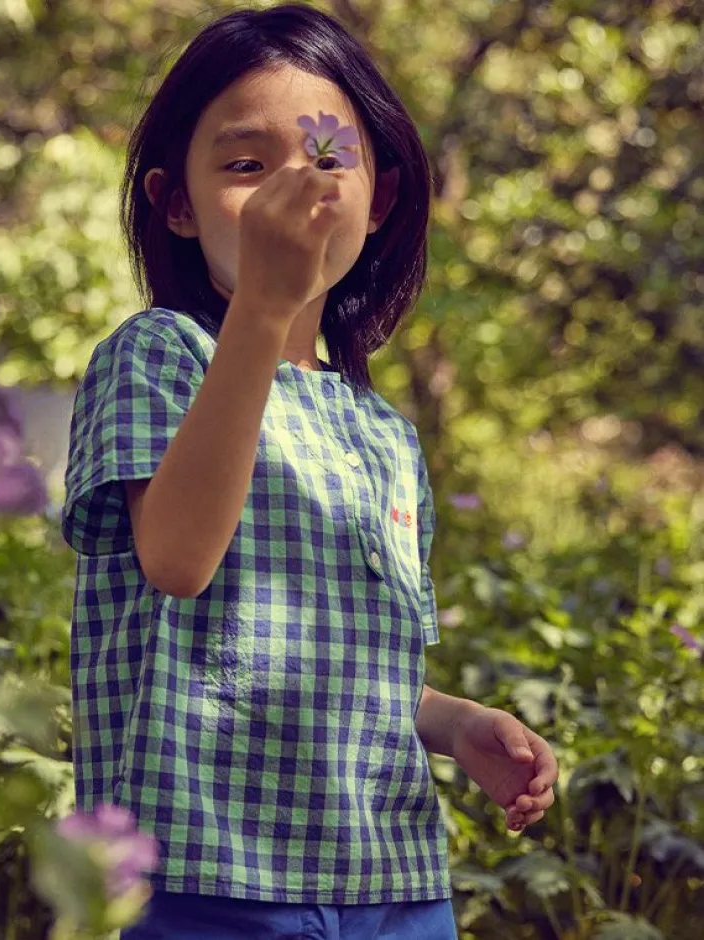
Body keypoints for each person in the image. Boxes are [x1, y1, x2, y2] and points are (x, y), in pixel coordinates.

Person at [62, 4, 558, 938]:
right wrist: (261, 306)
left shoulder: (385, 436)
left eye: (329, 156)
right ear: (177, 202)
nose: (296, 188)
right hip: (203, 876)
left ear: (380, 202)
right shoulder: (158, 356)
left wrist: (452, 725)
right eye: (247, 164)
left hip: (394, 882)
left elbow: (347, 660)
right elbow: (176, 558)